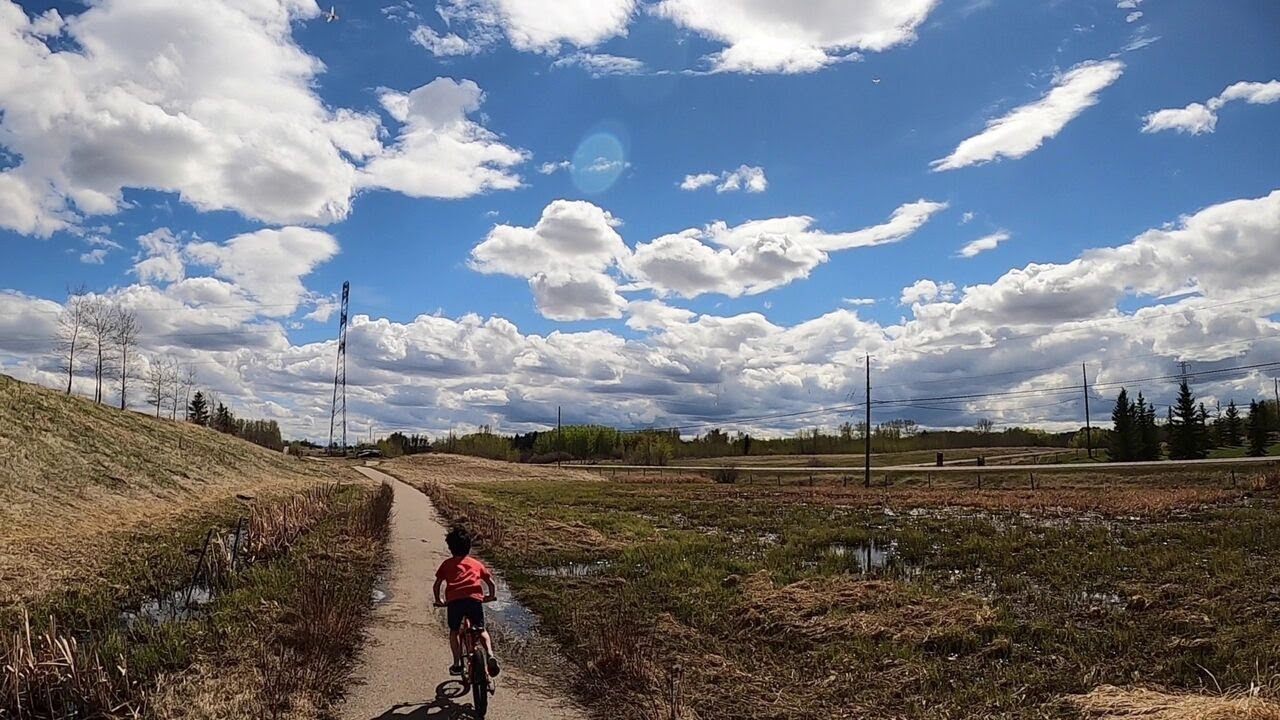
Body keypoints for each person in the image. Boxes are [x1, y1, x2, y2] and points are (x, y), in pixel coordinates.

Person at [433, 527, 501, 677]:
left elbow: (437, 584)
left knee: (454, 631)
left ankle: (457, 663)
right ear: (469, 547)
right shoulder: (476, 564)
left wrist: (439, 600)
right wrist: (490, 596)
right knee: (481, 629)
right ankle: (490, 654)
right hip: (474, 600)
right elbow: (491, 583)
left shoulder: (447, 564)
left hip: (454, 601)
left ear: (450, 548)